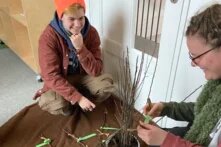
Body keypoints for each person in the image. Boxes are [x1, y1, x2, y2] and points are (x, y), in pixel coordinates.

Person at [137, 3, 221, 147]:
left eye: (196, 56)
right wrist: (167, 108)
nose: (193, 63)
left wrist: (166, 141)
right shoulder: (217, 85)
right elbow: (203, 111)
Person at [33, 0, 115, 115]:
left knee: (105, 86)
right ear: (61, 17)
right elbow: (50, 75)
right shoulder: (48, 38)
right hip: (62, 78)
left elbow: (96, 70)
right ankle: (75, 102)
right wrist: (78, 98)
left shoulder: (92, 33)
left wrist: (81, 49)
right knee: (55, 104)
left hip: (83, 76)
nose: (77, 24)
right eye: (71, 19)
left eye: (81, 18)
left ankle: (84, 100)